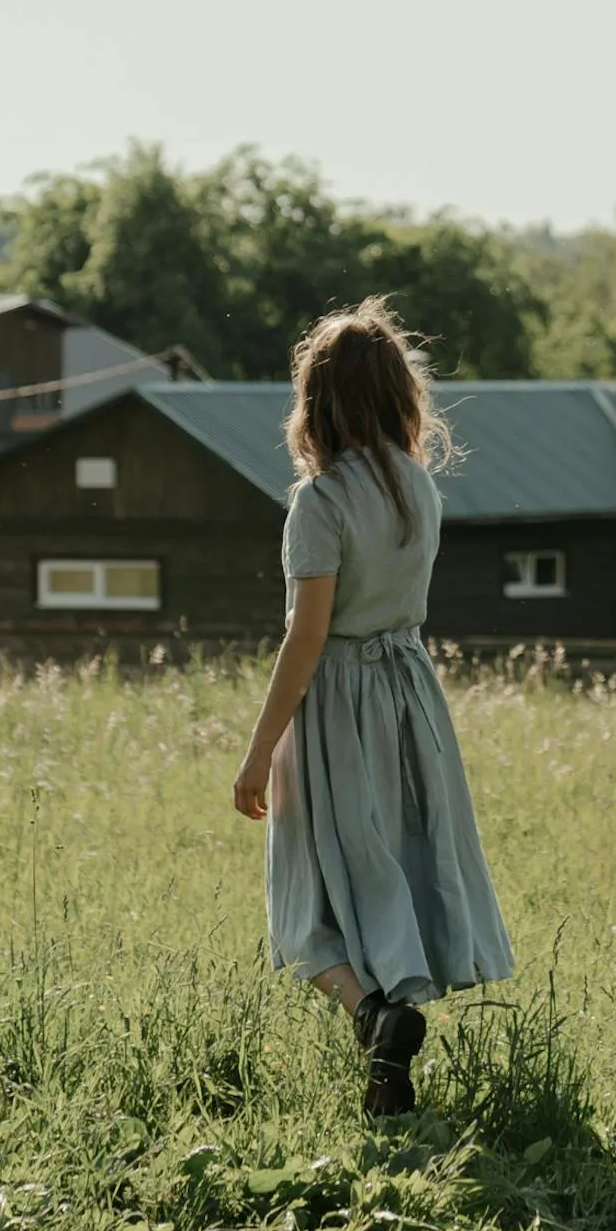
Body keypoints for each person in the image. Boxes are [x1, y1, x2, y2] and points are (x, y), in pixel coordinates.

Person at [232, 299, 516, 1114]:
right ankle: (391, 1040)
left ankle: (374, 1013)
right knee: (396, 865)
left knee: (306, 894)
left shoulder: (319, 504)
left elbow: (307, 637)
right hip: (410, 697)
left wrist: (258, 751)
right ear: (398, 396)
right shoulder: (418, 490)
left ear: (315, 403)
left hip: (337, 706)